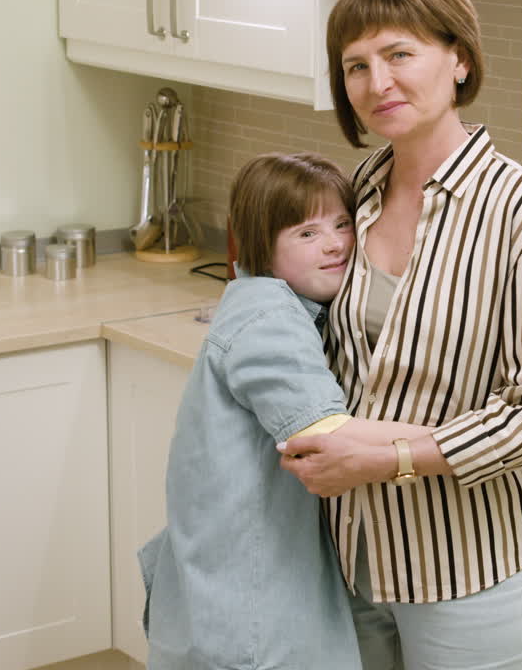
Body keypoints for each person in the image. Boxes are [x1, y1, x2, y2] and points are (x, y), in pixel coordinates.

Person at [278, 0, 522, 670]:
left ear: (460, 60)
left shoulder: (519, 208)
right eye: (355, 65)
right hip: (347, 556)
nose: (375, 82)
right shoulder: (359, 191)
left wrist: (385, 457)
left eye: (398, 54)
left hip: (460, 568)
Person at [137, 152, 366, 670]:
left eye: (342, 223)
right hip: (251, 597)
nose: (334, 243)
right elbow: (327, 436)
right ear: (263, 246)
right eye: (306, 233)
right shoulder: (269, 317)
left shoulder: (257, 301)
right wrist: (454, 436)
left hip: (222, 578)